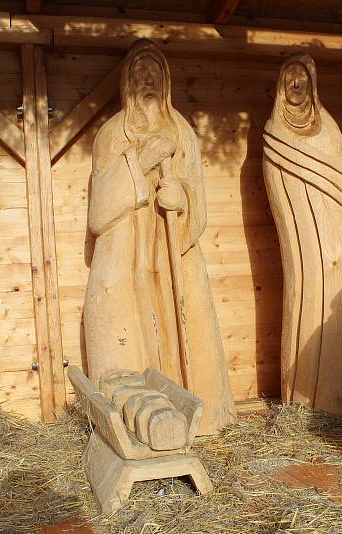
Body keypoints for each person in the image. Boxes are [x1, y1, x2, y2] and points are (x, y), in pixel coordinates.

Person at [83, 39, 236, 435]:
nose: (146, 80)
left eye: (154, 73)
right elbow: (99, 213)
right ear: (126, 82)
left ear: (165, 82)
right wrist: (139, 164)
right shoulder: (112, 134)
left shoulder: (183, 131)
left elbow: (198, 195)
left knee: (185, 328)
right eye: (138, 73)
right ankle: (139, 421)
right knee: (131, 338)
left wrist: (180, 197)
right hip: (127, 255)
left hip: (174, 256)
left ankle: (197, 417)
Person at [262, 53, 342, 416]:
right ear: (281, 87)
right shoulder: (274, 132)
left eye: (302, 79)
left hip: (338, 233)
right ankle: (307, 396)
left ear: (312, 84)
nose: (296, 85)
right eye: (290, 79)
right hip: (303, 238)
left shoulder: (329, 129)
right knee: (307, 299)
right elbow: (278, 188)